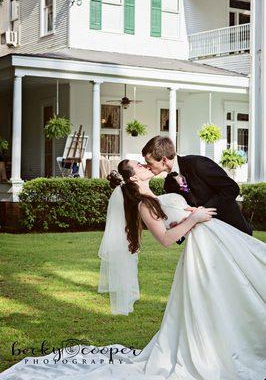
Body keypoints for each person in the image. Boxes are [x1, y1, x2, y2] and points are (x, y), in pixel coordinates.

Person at [1, 159, 265, 380]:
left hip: (211, 246)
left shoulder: (157, 194)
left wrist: (190, 214)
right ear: (133, 177)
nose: (144, 164)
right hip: (201, 253)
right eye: (139, 164)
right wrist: (193, 219)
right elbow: (165, 239)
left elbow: (175, 224)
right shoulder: (143, 205)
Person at [142, 135, 253, 236]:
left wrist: (204, 210)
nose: (148, 166)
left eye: (149, 162)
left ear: (164, 160)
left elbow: (231, 188)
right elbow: (182, 212)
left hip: (233, 229)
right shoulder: (169, 184)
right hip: (206, 238)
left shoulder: (198, 163)